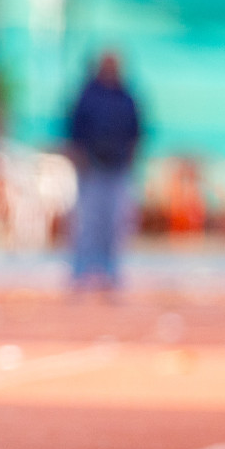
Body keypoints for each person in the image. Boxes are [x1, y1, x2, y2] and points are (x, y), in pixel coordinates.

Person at [67, 52, 142, 291]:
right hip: (92, 168)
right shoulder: (87, 96)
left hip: (117, 168)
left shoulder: (127, 97)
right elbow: (75, 129)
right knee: (87, 224)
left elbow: (136, 131)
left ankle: (110, 272)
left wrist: (131, 158)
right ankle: (81, 272)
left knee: (115, 225)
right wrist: (79, 157)